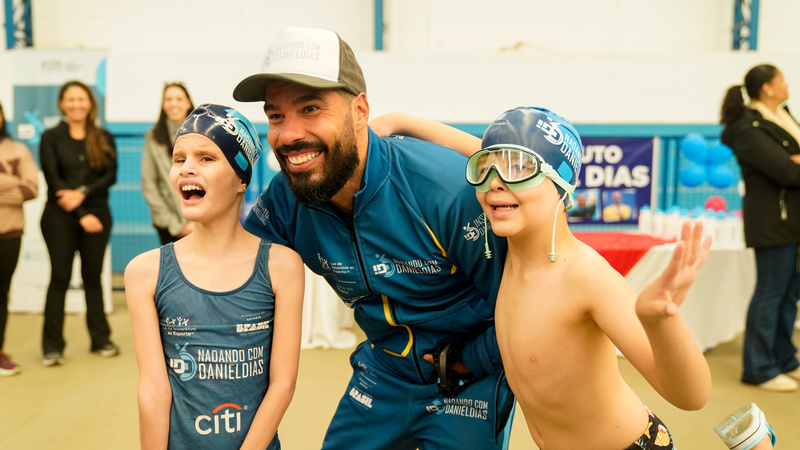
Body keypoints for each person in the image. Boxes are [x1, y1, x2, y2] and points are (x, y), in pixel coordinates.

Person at [233, 27, 514, 449]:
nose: (288, 134)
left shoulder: (443, 190)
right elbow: (233, 268)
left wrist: (468, 362)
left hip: (472, 375)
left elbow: (526, 304)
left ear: (360, 111)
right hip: (383, 371)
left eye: (310, 108)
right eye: (276, 116)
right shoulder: (289, 197)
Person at [375, 107, 713, 449]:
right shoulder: (505, 253)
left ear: (561, 185)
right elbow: (480, 151)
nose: (495, 182)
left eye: (519, 169)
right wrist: (400, 122)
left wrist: (661, 322)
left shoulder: (584, 277)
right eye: (486, 168)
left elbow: (692, 396)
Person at [125, 103, 304, 449]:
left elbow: (282, 384)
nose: (187, 168)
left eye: (206, 158)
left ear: (241, 179)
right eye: (179, 159)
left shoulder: (282, 266)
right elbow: (153, 388)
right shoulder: (145, 272)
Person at [720, 63, 800, 392]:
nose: (787, 85)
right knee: (770, 293)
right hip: (772, 222)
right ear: (767, 87)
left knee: (789, 294)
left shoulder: (782, 116)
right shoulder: (749, 127)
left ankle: (784, 359)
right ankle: (759, 367)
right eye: (781, 80)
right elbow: (788, 172)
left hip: (792, 221)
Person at [39, 80, 118, 366]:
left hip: (98, 215)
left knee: (93, 277)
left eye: (81, 99)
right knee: (59, 278)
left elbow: (109, 176)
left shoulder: (104, 137)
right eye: (70, 99)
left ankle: (101, 339)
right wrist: (81, 212)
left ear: (90, 103)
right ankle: (52, 346)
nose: (76, 104)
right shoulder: (50, 137)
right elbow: (53, 176)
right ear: (61, 104)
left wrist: (82, 195)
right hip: (59, 217)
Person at [0, 101, 39, 376]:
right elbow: (17, 185)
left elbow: (30, 189)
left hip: (8, 235)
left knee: (1, 294)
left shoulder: (18, 150)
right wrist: (9, 180)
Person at [142, 81, 195, 245]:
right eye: (169, 99)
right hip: (167, 225)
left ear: (188, 102)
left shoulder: (204, 134)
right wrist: (174, 224)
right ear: (163, 104)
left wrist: (197, 222)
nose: (174, 104)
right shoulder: (153, 137)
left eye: (179, 99)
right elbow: (149, 183)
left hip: (201, 223)